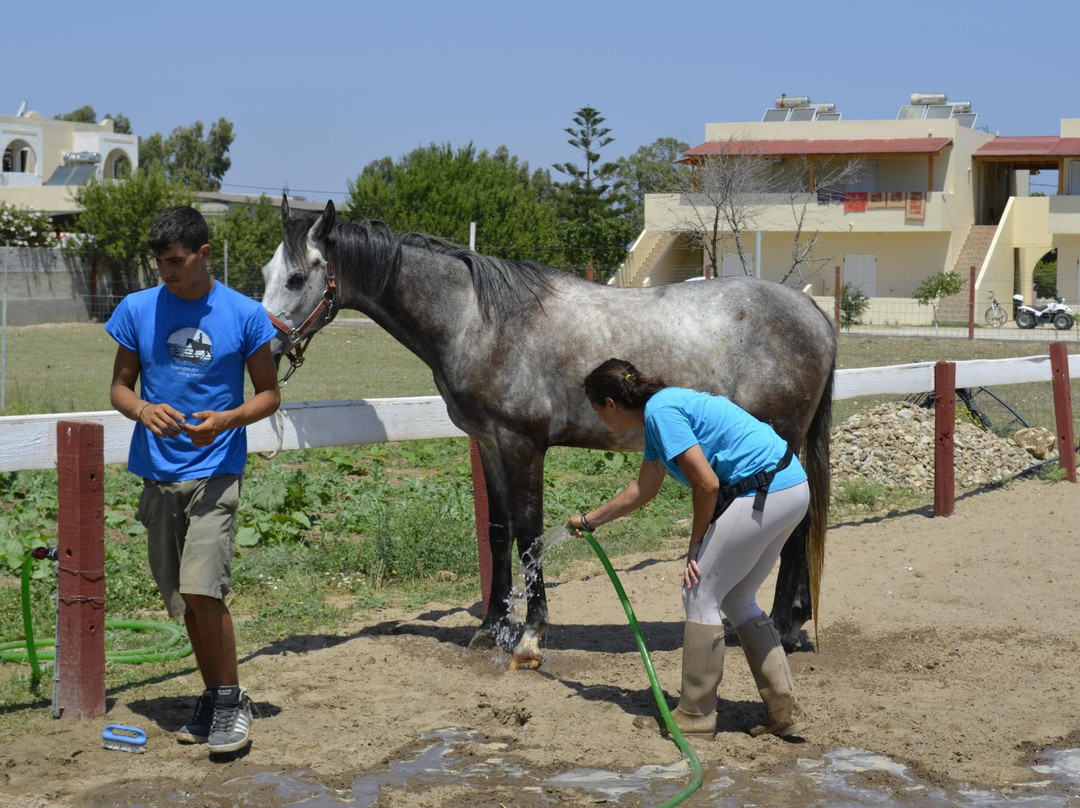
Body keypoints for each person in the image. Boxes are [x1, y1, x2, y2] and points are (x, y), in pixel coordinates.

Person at [105, 205, 280, 754]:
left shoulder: (246, 315)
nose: (167, 272)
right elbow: (119, 387)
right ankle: (213, 695)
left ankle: (230, 703)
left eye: (177, 261)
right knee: (183, 596)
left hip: (216, 469)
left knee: (204, 586)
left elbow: (270, 394)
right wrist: (141, 411)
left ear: (204, 254)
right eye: (160, 263)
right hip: (159, 472)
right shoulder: (137, 309)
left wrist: (229, 419)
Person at [567, 358, 809, 740]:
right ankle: (783, 709)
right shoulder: (662, 412)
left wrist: (695, 545)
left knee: (699, 593)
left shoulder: (662, 413)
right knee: (739, 597)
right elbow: (644, 490)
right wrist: (590, 519)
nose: (600, 420)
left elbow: (707, 484)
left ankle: (695, 717)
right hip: (790, 486)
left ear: (611, 404)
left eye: (598, 411)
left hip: (764, 492)